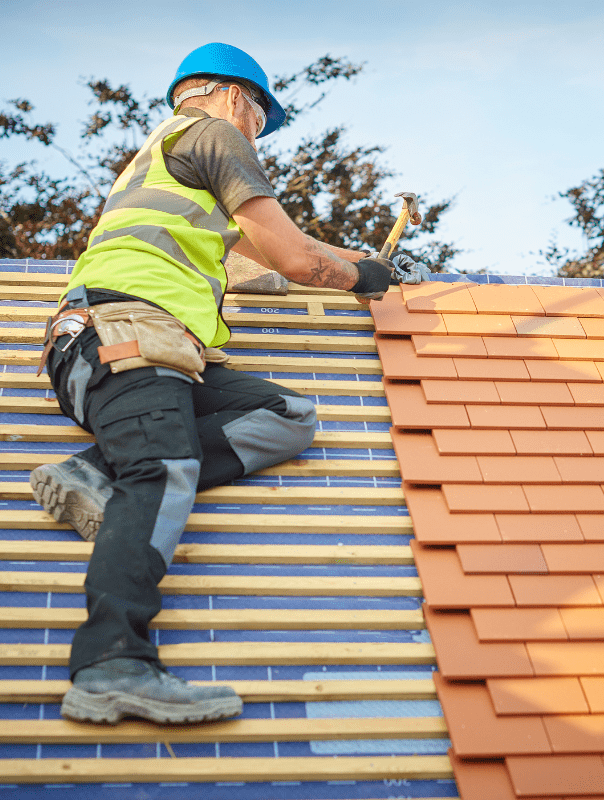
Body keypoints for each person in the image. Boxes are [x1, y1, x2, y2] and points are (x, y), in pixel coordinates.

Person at [30, 43, 426, 725]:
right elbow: (294, 255)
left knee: (286, 416)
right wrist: (364, 279)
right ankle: (112, 662)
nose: (257, 133)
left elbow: (258, 260)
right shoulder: (213, 134)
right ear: (230, 94)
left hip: (151, 349)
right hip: (125, 335)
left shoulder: (169, 165)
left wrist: (351, 262)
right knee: (162, 469)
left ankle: (96, 471)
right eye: (260, 118)